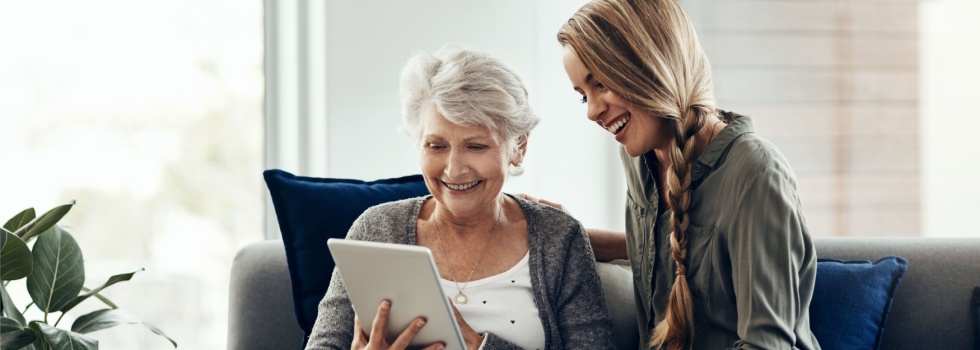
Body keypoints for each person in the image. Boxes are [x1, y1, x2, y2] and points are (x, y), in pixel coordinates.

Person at [539, 0, 823, 349]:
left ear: (650, 65)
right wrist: (573, 237)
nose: (593, 111)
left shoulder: (756, 173)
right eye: (583, 96)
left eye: (600, 84)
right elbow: (680, 246)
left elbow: (767, 344)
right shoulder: (638, 158)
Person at [304, 45, 616, 350]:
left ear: (519, 146)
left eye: (476, 146)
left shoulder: (559, 237)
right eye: (436, 146)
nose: (454, 170)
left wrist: (477, 344)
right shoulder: (376, 230)